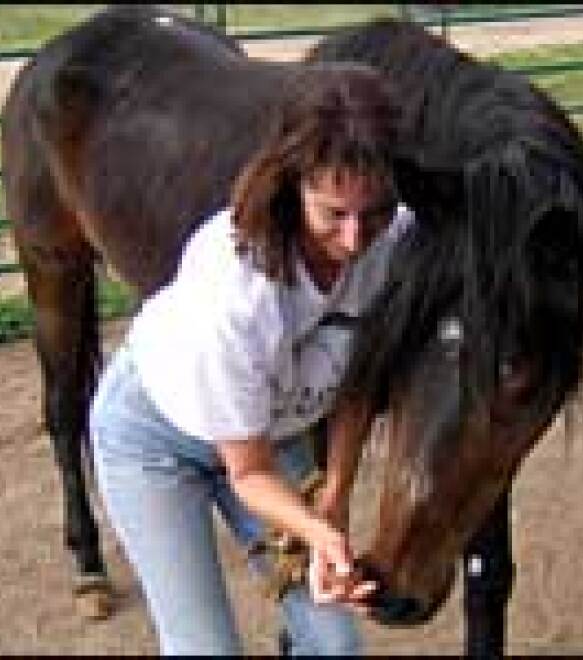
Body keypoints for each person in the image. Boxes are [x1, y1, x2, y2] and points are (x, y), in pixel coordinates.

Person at [89, 63, 414, 655]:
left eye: (375, 211)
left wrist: (335, 496)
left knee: (337, 645)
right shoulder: (237, 290)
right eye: (333, 214)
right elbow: (249, 473)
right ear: (293, 184)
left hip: (269, 424)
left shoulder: (390, 240)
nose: (356, 240)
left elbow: (360, 380)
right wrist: (317, 531)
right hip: (158, 440)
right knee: (205, 648)